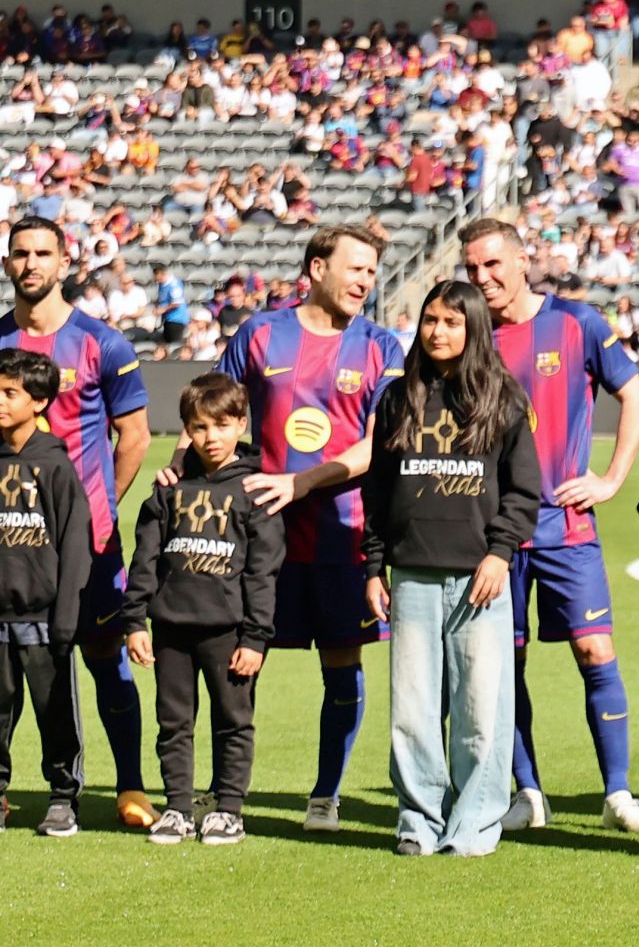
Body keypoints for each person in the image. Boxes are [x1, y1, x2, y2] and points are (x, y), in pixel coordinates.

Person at [460, 218, 639, 838]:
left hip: (565, 524)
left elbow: (638, 397)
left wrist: (610, 478)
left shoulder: (576, 323)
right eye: (471, 269)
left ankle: (618, 793)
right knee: (504, 664)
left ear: (524, 262)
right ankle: (526, 792)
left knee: (593, 649)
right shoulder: (468, 335)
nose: (482, 278)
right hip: (494, 532)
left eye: (493, 265)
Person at [218, 223, 405, 833]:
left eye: (372, 272)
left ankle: (325, 795)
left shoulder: (382, 346)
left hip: (342, 535)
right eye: (355, 268)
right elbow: (214, 413)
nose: (365, 282)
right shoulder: (261, 333)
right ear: (317, 268)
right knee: (240, 659)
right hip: (258, 538)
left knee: (341, 662)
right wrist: (179, 475)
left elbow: (380, 446)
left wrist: (301, 483)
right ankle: (226, 797)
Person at [362, 282, 540, 861]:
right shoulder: (396, 399)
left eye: (451, 322)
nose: (438, 332)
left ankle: (474, 825)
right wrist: (373, 566)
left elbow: (522, 492)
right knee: (412, 712)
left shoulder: (504, 399)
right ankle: (418, 820)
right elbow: (377, 492)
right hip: (411, 573)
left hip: (478, 576)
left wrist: (499, 552)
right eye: (430, 321)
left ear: (474, 329)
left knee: (480, 711)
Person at [7, 218, 155, 832]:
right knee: (6, 665)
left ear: (64, 262)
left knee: (103, 656)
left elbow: (136, 436)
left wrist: (100, 509)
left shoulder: (102, 342)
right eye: (20, 253)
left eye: (43, 253)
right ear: (8, 262)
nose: (31, 263)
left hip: (86, 541)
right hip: (11, 542)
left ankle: (129, 785)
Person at [121, 373, 281, 846]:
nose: (211, 438)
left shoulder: (256, 492)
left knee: (232, 721)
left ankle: (228, 809)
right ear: (186, 430)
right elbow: (144, 559)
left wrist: (256, 638)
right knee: (173, 723)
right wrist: (135, 622)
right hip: (171, 627)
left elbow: (263, 573)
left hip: (229, 633)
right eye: (199, 428)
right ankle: (178, 808)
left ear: (241, 424)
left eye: (222, 426)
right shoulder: (168, 488)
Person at [0, 350, 92, 833]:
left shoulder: (55, 466)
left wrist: (66, 615)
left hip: (43, 620)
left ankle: (63, 797)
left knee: (55, 713)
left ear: (37, 401)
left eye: (9, 393)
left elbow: (75, 542)